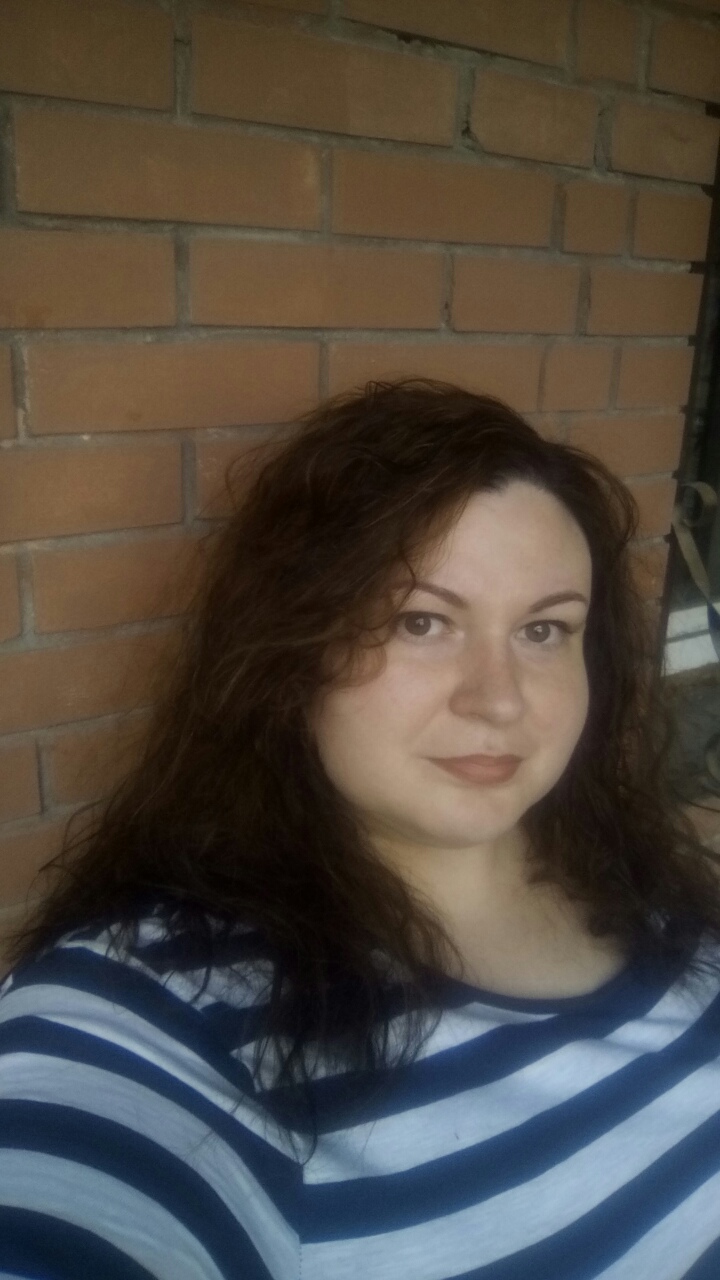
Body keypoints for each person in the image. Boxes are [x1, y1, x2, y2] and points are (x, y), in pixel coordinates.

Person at [1, 378, 720, 1280]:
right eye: (422, 621)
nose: (499, 700)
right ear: (294, 650)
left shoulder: (637, 882)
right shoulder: (173, 1014)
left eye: (544, 630)